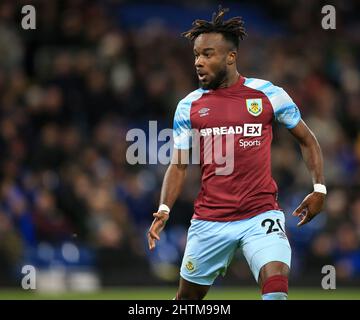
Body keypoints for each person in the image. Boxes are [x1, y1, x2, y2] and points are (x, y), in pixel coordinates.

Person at [147, 6, 326, 300]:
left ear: (231, 57)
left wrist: (319, 188)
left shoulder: (268, 95)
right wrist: (164, 209)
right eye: (196, 55)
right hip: (210, 221)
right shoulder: (188, 106)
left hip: (261, 216)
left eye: (207, 54)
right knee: (186, 301)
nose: (198, 62)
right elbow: (179, 165)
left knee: (276, 289)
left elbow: (308, 140)